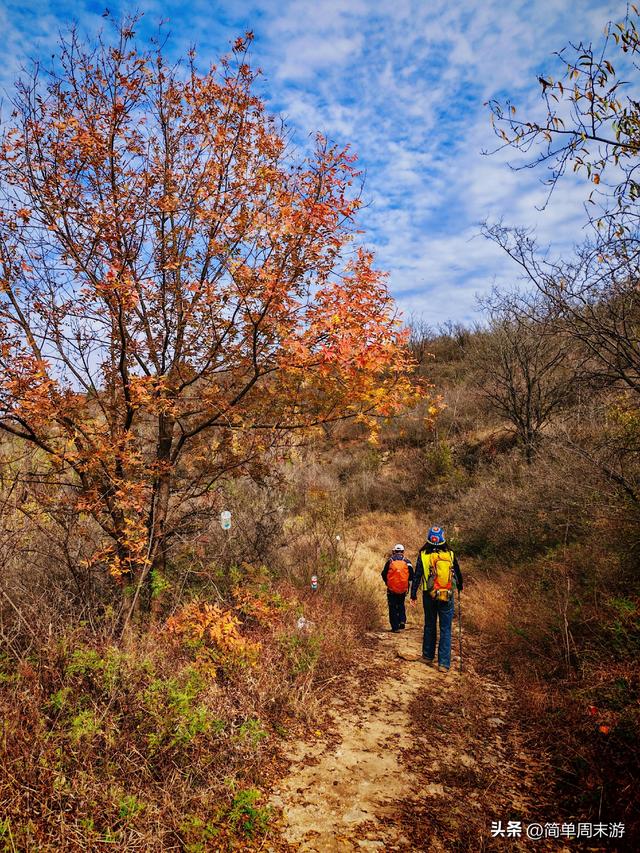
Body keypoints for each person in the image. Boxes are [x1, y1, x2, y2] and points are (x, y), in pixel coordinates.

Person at [410, 526, 463, 672]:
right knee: (445, 629)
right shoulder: (450, 554)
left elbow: (417, 576)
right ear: (442, 539)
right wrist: (459, 587)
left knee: (430, 624)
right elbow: (458, 574)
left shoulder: (423, 554)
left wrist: (413, 595)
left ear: (428, 539)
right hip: (447, 595)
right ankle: (444, 664)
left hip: (429, 594)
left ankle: (427, 656)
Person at [381, 544, 414, 633]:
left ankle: (395, 627)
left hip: (391, 589)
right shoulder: (407, 562)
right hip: (403, 588)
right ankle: (402, 620)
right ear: (403, 552)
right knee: (401, 604)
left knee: (392, 607)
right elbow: (411, 576)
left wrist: (388, 583)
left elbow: (384, 574)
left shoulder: (390, 561)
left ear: (394, 551)